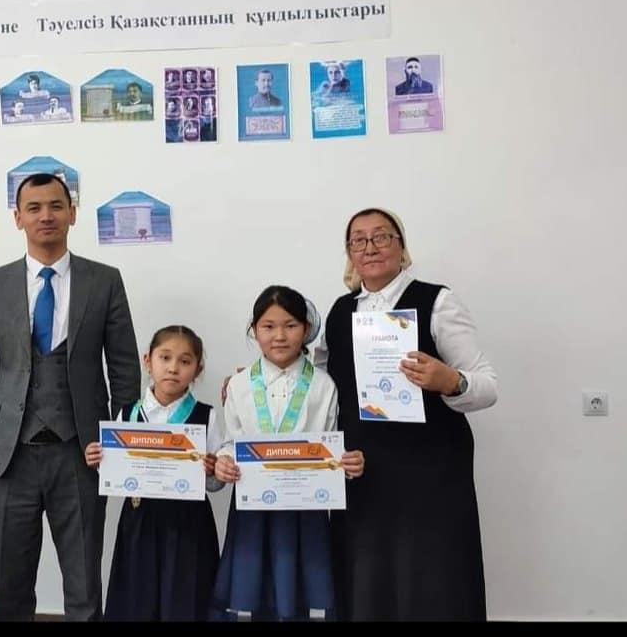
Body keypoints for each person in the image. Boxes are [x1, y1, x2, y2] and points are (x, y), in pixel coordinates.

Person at [0, 172, 141, 621]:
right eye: (34, 208)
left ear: (72, 213)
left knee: (84, 586)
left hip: (82, 454)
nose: (46, 216)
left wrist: (124, 446)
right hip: (7, 459)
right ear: (17, 218)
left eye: (56, 206)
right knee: (10, 588)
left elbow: (124, 370)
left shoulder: (105, 281)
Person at [321, 207, 497, 621]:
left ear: (401, 246)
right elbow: (321, 383)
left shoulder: (438, 302)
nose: (370, 247)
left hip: (431, 466)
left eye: (381, 236)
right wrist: (253, 378)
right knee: (369, 577)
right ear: (349, 252)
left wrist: (450, 380)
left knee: (434, 575)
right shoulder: (340, 312)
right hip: (363, 467)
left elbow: (488, 385)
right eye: (359, 240)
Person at [211, 285, 365, 621]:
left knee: (300, 589)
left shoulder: (324, 385)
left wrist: (346, 462)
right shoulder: (238, 385)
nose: (279, 336)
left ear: (306, 329)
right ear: (254, 330)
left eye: (290, 325)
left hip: (304, 506)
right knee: (251, 590)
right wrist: (224, 462)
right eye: (268, 326)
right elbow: (231, 441)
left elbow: (331, 442)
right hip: (252, 505)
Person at [84, 325, 223, 621]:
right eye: (165, 357)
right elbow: (116, 475)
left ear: (197, 370)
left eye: (185, 361)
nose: (173, 368)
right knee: (137, 598)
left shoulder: (206, 416)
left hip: (189, 524)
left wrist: (214, 470)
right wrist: (98, 460)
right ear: (148, 361)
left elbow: (215, 483)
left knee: (185, 599)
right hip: (140, 521)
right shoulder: (127, 415)